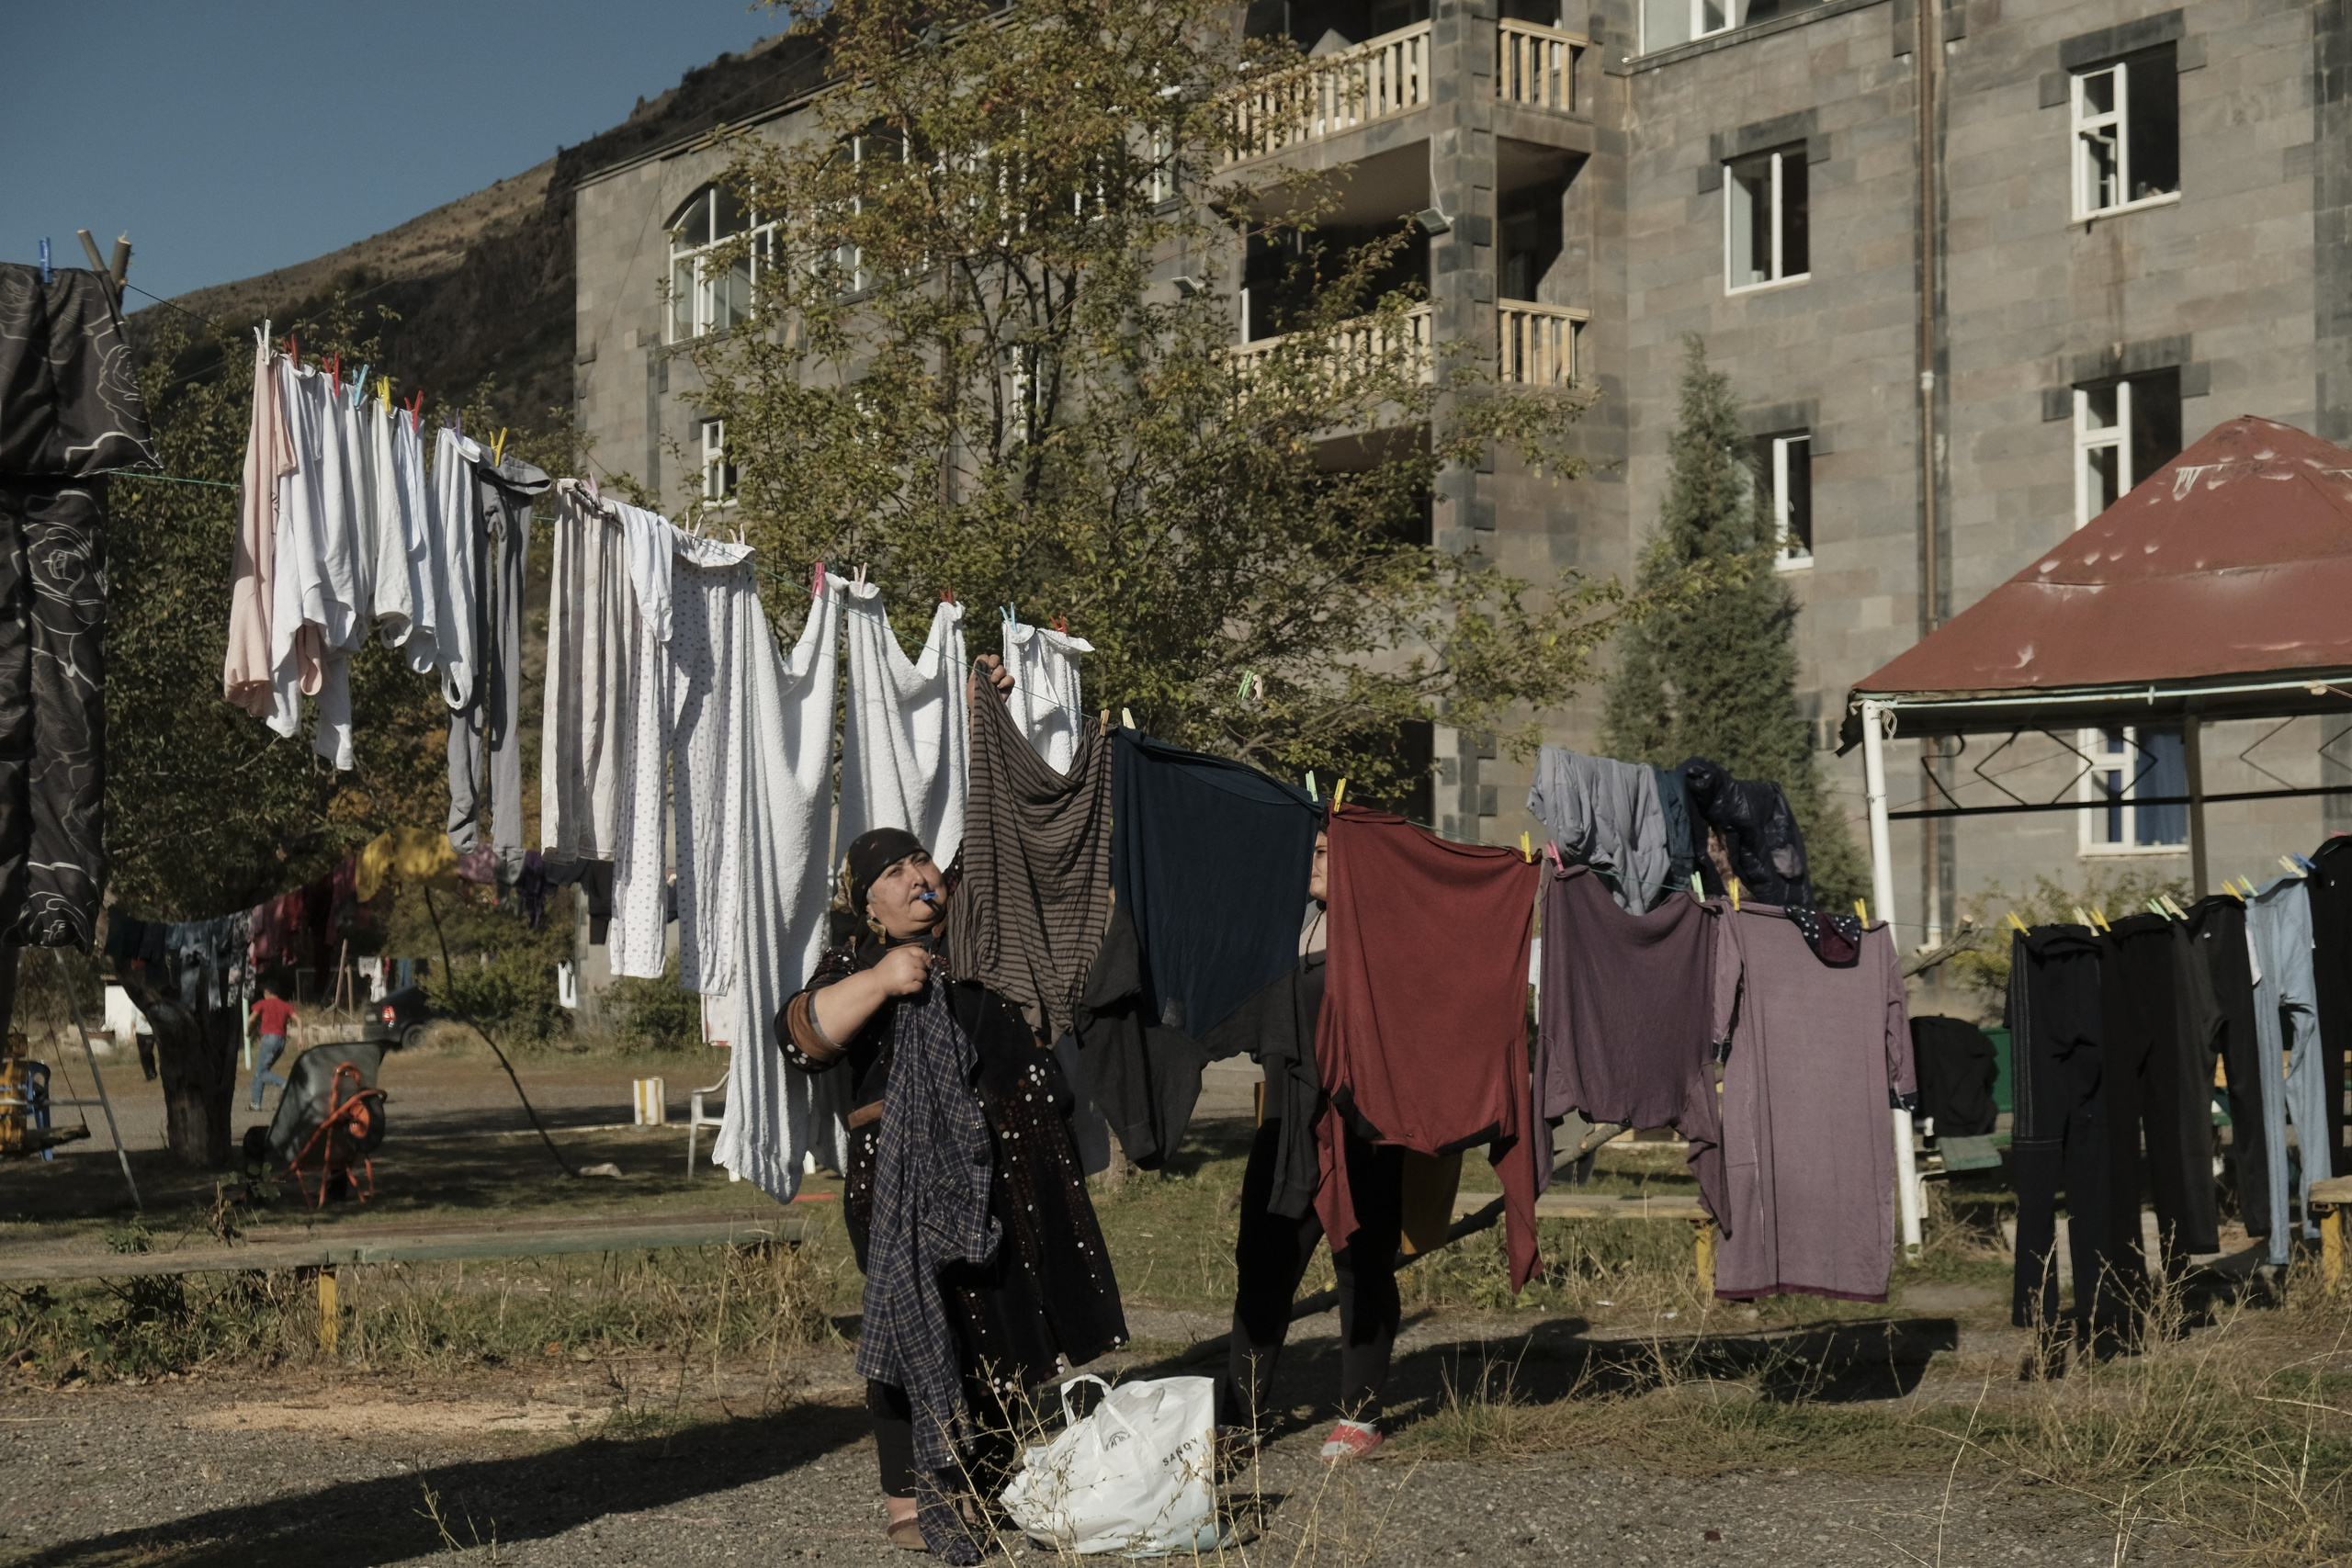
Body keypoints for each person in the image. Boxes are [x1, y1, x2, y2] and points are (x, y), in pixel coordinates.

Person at [776, 656, 1126, 1558]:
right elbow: (803, 1034)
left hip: (1005, 1166)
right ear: (867, 900)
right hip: (899, 1176)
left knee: (1010, 1321)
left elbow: (1004, 838)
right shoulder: (851, 964)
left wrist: (988, 710)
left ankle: (993, 1475)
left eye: (920, 861)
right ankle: (910, 1495)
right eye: (893, 872)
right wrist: (884, 979)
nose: (916, 877)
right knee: (908, 1319)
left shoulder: (972, 939)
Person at [1223, 829, 1405, 1461]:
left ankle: (1361, 1413)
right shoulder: (1292, 929)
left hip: (1360, 1127)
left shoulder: (1380, 935)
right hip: (1286, 1124)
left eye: (1325, 850)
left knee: (1362, 1264)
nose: (1312, 861)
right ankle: (1237, 1417)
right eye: (1310, 848)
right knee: (1264, 1265)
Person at [248, 984, 299, 1111]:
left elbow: (251, 1018)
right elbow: (298, 1020)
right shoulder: (286, 1005)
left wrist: (248, 1031)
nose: (264, 996)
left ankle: (285, 1084)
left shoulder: (264, 1003)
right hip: (281, 1041)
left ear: (269, 992)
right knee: (260, 1071)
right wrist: (301, 1037)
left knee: (261, 1072)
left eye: (265, 993)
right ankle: (255, 1104)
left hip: (269, 1039)